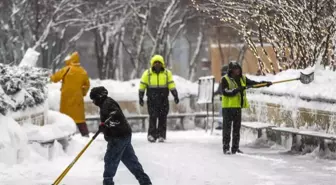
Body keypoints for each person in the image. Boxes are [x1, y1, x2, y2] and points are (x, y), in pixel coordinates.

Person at [89, 86, 152, 185]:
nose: (93, 102)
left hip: (118, 137)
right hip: (124, 135)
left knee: (110, 159)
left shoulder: (107, 104)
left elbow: (115, 115)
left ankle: (108, 182)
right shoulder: (106, 103)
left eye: (94, 99)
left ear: (99, 97)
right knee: (131, 161)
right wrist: (105, 125)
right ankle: (145, 181)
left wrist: (106, 123)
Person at [221, 62, 272, 154]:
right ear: (231, 70)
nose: (238, 70)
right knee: (227, 129)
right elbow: (225, 92)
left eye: (238, 69)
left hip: (237, 108)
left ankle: (235, 148)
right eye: (235, 69)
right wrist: (236, 90)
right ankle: (226, 148)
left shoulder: (242, 78)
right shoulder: (225, 79)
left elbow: (253, 84)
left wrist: (264, 84)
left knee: (237, 129)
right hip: (228, 108)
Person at [138, 54, 179, 143]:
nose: (157, 64)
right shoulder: (147, 73)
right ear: (152, 64)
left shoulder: (167, 73)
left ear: (162, 64)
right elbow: (142, 85)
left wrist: (175, 95)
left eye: (159, 62)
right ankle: (151, 135)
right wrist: (140, 97)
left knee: (162, 117)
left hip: (163, 99)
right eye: (155, 62)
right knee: (152, 117)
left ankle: (161, 135)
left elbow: (171, 84)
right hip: (152, 99)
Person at [50, 51, 90, 137]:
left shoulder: (66, 69)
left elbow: (54, 79)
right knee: (79, 119)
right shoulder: (83, 72)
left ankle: (65, 136)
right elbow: (87, 85)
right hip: (77, 100)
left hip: (66, 99)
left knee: (64, 119)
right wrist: (82, 93)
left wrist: (49, 76)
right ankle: (85, 135)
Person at [214, 65, 228, 130]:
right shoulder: (222, 80)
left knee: (224, 112)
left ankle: (224, 124)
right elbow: (219, 90)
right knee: (221, 112)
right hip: (223, 99)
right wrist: (214, 94)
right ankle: (221, 124)